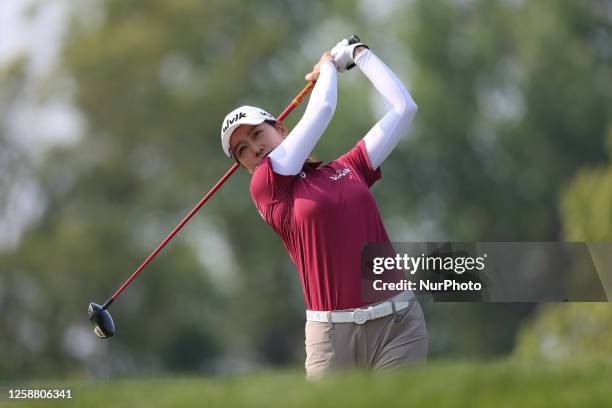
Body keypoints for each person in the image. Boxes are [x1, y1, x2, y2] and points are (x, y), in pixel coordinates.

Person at [220, 38, 428, 379]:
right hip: (332, 339)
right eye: (242, 149)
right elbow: (322, 109)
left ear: (281, 130)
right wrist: (330, 64)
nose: (254, 148)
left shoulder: (349, 168)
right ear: (243, 165)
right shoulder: (266, 187)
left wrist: (358, 54)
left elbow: (404, 108)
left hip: (398, 324)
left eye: (258, 134)